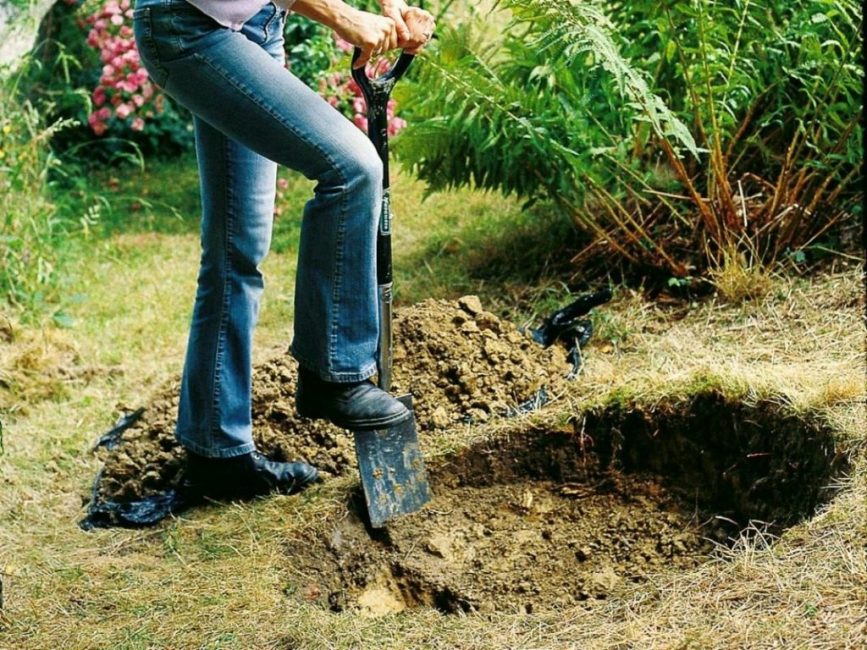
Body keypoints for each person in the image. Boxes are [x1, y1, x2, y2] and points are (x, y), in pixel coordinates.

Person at [131, 0, 435, 500]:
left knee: (236, 248)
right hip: (192, 24)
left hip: (256, 24)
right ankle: (333, 373)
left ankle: (217, 455)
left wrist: (391, 7)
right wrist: (343, 17)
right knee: (353, 167)